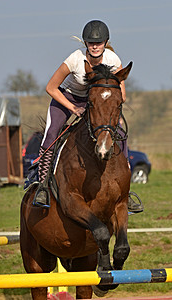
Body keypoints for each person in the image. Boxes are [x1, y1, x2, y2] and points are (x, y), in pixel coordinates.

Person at [25, 20, 143, 213]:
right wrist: (72, 107)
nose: (94, 46)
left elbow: (122, 95)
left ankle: (126, 192)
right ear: (86, 43)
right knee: (52, 134)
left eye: (98, 43)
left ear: (105, 42)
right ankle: (43, 187)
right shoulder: (74, 59)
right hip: (66, 97)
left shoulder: (113, 60)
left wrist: (111, 111)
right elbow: (51, 88)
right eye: (90, 42)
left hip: (94, 100)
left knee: (121, 133)